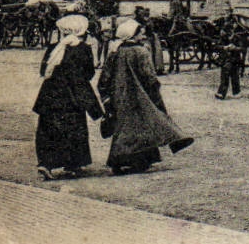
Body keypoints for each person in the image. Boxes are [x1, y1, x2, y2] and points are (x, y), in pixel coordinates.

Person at [98, 18, 193, 175]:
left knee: (124, 127)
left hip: (120, 97)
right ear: (132, 35)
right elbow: (149, 77)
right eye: (139, 33)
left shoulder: (115, 51)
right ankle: (142, 159)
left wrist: (107, 97)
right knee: (144, 125)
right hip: (141, 96)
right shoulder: (141, 51)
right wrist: (155, 94)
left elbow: (104, 78)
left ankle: (119, 160)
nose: (142, 35)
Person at [33, 15, 103, 180]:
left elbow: (43, 71)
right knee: (74, 130)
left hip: (50, 96)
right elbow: (89, 73)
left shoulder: (54, 47)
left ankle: (45, 163)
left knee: (48, 130)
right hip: (72, 97)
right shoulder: (83, 49)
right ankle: (73, 164)